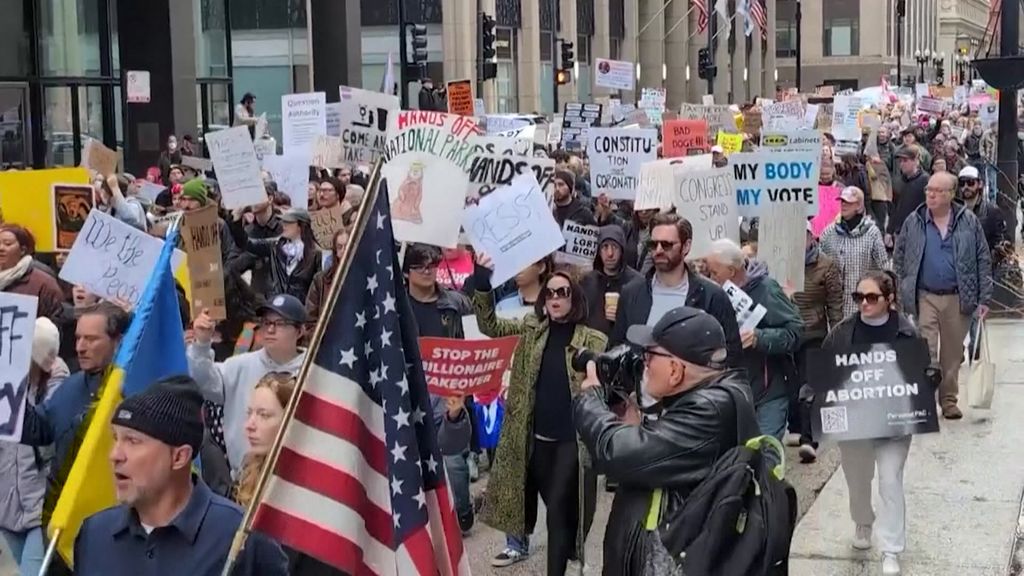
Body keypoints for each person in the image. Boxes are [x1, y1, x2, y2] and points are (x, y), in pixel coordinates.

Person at [574, 306, 759, 575]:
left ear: (675, 369)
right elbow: (663, 453)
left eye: (650, 356)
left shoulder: (709, 410)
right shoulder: (720, 391)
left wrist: (590, 398)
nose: (644, 364)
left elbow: (617, 453)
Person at [472, 253, 607, 574]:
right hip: (535, 439)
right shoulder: (531, 329)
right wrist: (482, 280)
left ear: (575, 299)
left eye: (563, 292)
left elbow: (605, 389)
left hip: (572, 441)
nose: (555, 298)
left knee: (558, 509)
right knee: (551, 504)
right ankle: (563, 546)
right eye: (550, 292)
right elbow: (490, 325)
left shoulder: (593, 339)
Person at [72, 377, 288, 575]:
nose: (115, 455)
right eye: (116, 438)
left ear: (179, 457)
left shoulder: (241, 539)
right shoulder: (94, 533)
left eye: (133, 441)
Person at [19, 302, 131, 576]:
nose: (80, 347)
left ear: (117, 341)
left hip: (110, 523)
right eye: (78, 338)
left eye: (91, 339)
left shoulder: (132, 391)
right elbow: (39, 429)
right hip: (60, 519)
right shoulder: (72, 385)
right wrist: (8, 392)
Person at [821, 271, 919, 576]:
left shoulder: (906, 331)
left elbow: (922, 368)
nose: (864, 303)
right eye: (858, 297)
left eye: (872, 297)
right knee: (857, 479)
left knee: (890, 480)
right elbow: (824, 370)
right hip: (855, 422)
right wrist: (813, 393)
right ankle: (863, 521)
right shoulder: (842, 332)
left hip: (894, 423)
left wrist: (930, 377)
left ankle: (891, 549)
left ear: (889, 299)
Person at [894, 171, 992, 420]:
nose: (931, 195)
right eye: (928, 190)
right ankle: (925, 400)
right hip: (925, 295)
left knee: (952, 354)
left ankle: (948, 400)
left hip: (958, 298)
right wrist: (902, 289)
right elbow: (900, 256)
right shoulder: (914, 221)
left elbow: (983, 258)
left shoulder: (968, 221)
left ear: (950, 194)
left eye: (937, 191)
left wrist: (984, 298)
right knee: (926, 351)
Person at [402, 243, 476, 532]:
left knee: (454, 459)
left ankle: (462, 512)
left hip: (449, 389)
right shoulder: (395, 307)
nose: (427, 270)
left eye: (432, 264)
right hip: (412, 390)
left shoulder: (457, 303)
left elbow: (474, 338)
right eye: (419, 266)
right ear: (406, 272)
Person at [189, 295, 307, 473]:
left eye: (280, 323)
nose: (270, 329)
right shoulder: (239, 365)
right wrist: (202, 344)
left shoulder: (314, 370)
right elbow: (204, 383)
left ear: (300, 331)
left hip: (298, 477)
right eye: (266, 322)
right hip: (244, 476)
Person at [612, 213, 742, 367]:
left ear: (686, 246)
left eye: (666, 245)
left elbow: (732, 356)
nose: (658, 250)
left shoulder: (711, 296)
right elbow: (617, 347)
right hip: (640, 381)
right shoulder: (631, 292)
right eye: (653, 244)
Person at [704, 239, 803, 440]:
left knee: (765, 452)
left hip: (768, 392)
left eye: (714, 273)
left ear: (731, 271)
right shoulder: (713, 293)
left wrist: (759, 338)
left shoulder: (766, 290)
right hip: (731, 392)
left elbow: (796, 332)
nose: (711, 278)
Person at [0, 318, 68, 576]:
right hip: (7, 503)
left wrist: (10, 389)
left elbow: (45, 426)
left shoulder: (57, 379)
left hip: (41, 503)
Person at [788, 223, 844, 463]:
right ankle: (795, 426)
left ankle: (808, 439)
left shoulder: (826, 265)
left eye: (803, 235)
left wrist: (837, 336)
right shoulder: (780, 263)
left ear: (812, 237)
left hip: (813, 333)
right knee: (791, 385)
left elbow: (835, 303)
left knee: (808, 387)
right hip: (785, 334)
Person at [819, 187, 891, 317]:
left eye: (848, 202)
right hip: (834, 307)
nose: (844, 205)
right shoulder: (828, 233)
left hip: (863, 302)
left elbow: (883, 266)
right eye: (842, 201)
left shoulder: (872, 233)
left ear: (859, 206)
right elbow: (819, 266)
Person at [233, 207, 321, 302]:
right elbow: (247, 243)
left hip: (300, 306)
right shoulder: (275, 246)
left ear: (301, 225)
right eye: (283, 221)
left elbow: (318, 287)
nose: (284, 225)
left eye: (288, 222)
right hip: (276, 303)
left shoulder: (315, 254)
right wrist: (237, 222)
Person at [581, 224, 642, 336]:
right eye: (605, 247)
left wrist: (621, 317)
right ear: (598, 251)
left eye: (615, 247)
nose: (610, 254)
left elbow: (641, 322)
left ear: (622, 250)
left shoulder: (637, 283)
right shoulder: (587, 280)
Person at [0, 224, 64, 323]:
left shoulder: (43, 283)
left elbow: (57, 321)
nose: (1, 248)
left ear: (23, 250)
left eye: (7, 244)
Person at [305, 228, 349, 324]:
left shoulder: (365, 278)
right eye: (340, 247)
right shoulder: (320, 280)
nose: (344, 250)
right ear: (335, 251)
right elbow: (309, 319)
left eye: (348, 246)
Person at [888, 145, 929, 247]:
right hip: (899, 232)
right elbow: (895, 207)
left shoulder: (925, 181)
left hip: (917, 233)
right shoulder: (899, 182)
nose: (902, 164)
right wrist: (889, 231)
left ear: (916, 161)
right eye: (900, 161)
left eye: (905, 161)